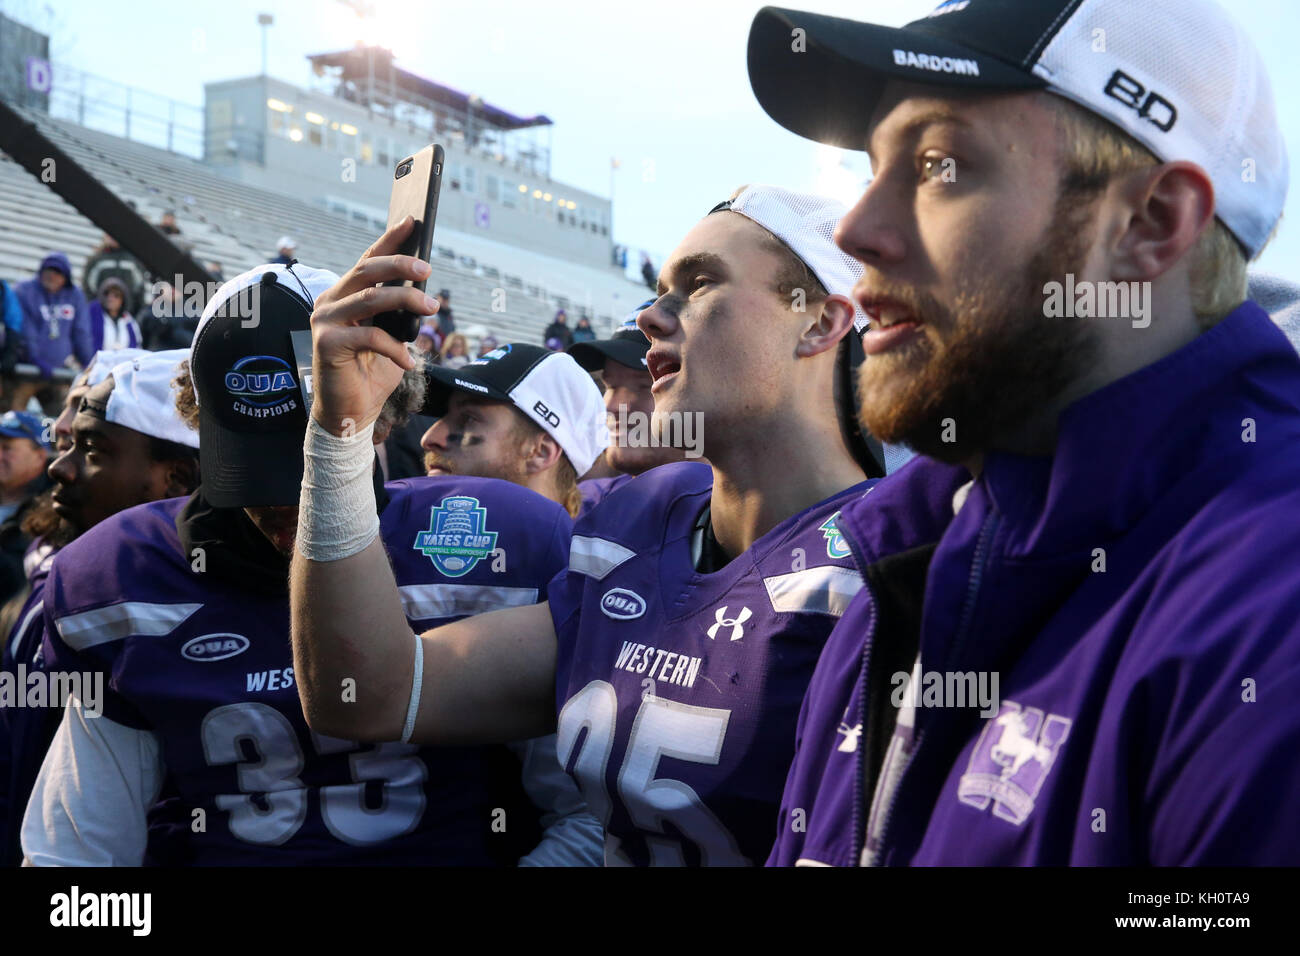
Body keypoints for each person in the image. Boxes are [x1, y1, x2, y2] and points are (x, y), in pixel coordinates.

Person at [746, 0, 1300, 866]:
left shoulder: (1267, 618)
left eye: (938, 164)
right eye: (870, 167)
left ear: (1150, 225)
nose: (854, 229)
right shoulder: (912, 556)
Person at [290, 185, 877, 866]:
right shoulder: (637, 524)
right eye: (660, 289)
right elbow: (362, 696)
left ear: (819, 322)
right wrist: (340, 433)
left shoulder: (885, 564)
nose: (651, 316)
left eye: (700, 282)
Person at [22, 262, 598, 866]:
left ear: (389, 417)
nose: (286, 498)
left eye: (318, 455)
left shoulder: (494, 544)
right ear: (198, 428)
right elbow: (74, 860)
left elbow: (590, 815)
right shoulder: (122, 576)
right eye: (262, 463)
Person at [0, 350, 198, 865]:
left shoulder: (156, 618)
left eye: (89, 447)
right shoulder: (70, 581)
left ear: (176, 478)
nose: (60, 465)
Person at [418, 341, 607, 519]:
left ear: (539, 452)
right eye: (443, 415)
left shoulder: (578, 554)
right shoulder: (402, 539)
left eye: (469, 419)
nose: (429, 438)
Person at [568, 298, 693, 515]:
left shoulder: (753, 520)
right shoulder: (582, 509)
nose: (611, 405)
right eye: (610, 385)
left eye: (644, 387)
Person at [11, 253, 93, 413]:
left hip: (58, 372)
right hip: (25, 370)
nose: (52, 275)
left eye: (58, 272)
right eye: (48, 270)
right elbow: (25, 329)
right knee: (13, 417)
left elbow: (81, 332)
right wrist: (34, 358)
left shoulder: (74, 295)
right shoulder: (25, 291)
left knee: (61, 419)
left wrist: (88, 363)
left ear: (66, 277)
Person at [82, 234, 147, 317]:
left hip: (126, 314)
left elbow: (140, 289)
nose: (112, 238)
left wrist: (134, 312)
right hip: (100, 314)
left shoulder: (133, 260)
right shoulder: (96, 259)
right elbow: (88, 288)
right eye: (109, 235)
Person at [88, 278, 143, 353]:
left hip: (124, 363)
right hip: (99, 363)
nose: (110, 298)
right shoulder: (92, 316)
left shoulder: (129, 321)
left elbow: (137, 346)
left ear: (123, 299)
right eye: (107, 294)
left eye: (116, 295)